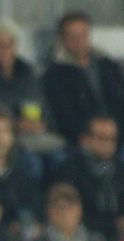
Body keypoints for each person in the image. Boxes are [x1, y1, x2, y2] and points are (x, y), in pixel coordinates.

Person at [0, 22, 64, 156]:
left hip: (35, 135)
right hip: (4, 138)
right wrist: (15, 124)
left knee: (58, 155)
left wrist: (42, 123)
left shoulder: (29, 76)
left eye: (8, 45)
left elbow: (44, 107)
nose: (4, 50)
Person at [42, 11, 124, 147]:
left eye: (83, 35)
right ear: (62, 39)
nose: (80, 41)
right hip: (80, 141)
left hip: (117, 135)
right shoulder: (54, 75)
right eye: (73, 37)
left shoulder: (108, 66)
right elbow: (63, 115)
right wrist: (92, 130)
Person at [52, 116, 124, 241]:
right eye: (101, 138)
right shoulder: (71, 169)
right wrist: (114, 225)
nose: (107, 144)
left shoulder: (119, 168)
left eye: (112, 139)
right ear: (84, 139)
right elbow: (70, 214)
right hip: (83, 236)